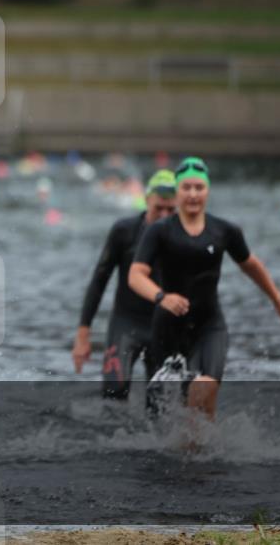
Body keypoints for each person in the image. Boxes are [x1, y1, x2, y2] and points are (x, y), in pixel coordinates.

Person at [129, 157, 280, 419]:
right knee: (165, 410)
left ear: (208, 191)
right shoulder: (160, 231)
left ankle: (204, 452)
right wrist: (162, 297)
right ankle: (187, 450)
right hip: (169, 327)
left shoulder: (224, 230)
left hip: (209, 326)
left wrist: (278, 300)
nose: (193, 194)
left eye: (199, 188)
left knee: (202, 391)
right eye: (187, 188)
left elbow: (250, 264)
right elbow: (136, 275)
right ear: (177, 191)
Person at [72, 170, 177, 399]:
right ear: (147, 199)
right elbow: (100, 280)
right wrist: (82, 336)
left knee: (159, 404)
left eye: (171, 210)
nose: (164, 215)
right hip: (126, 322)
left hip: (163, 328)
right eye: (158, 208)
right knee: (114, 392)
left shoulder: (182, 236)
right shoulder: (124, 231)